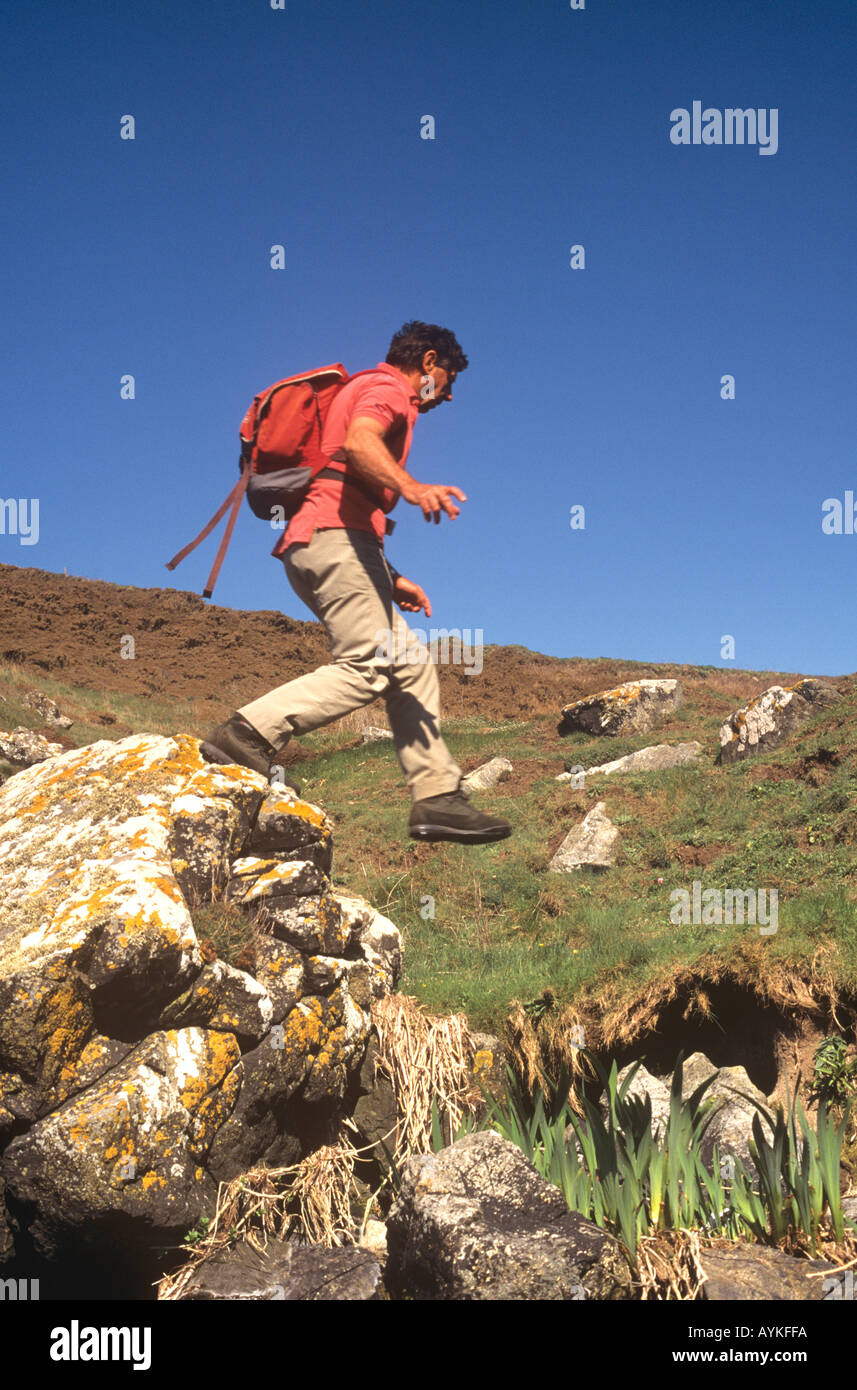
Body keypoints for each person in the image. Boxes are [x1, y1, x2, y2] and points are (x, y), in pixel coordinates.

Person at [201, 320, 511, 844]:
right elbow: (360, 442)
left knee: (410, 667)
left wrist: (392, 578)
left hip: (337, 541)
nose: (449, 395)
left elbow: (346, 484)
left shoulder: (364, 388)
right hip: (331, 538)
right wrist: (412, 487)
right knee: (369, 665)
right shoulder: (387, 388)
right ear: (429, 362)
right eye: (449, 379)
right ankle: (245, 734)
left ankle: (438, 798)